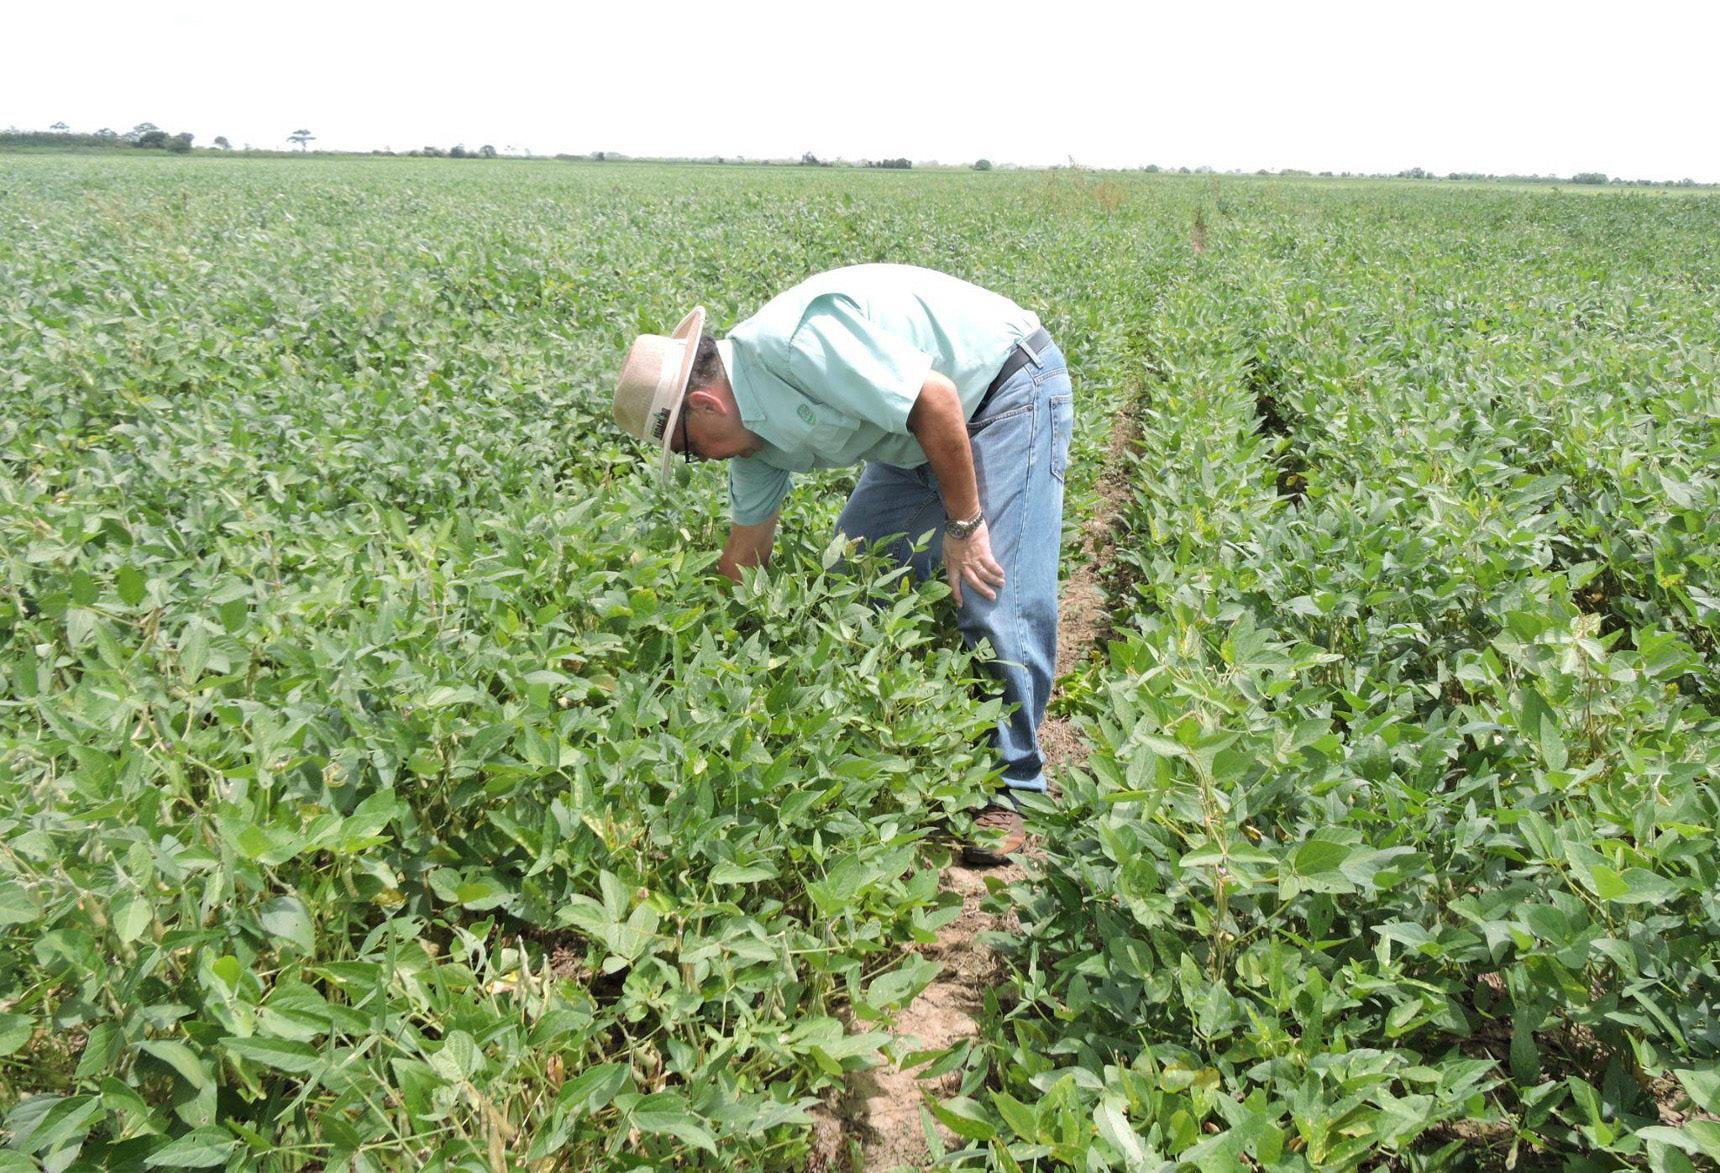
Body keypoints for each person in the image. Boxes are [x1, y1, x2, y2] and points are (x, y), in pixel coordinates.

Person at [612, 264, 1072, 865]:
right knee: (853, 576)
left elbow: (936, 399)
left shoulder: (794, 344)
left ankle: (1016, 786)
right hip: (914, 437)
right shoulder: (752, 447)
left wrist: (964, 526)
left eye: (689, 450)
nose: (701, 461)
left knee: (990, 590)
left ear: (704, 404)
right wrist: (704, 664)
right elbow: (744, 559)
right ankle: (903, 719)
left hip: (1002, 390)